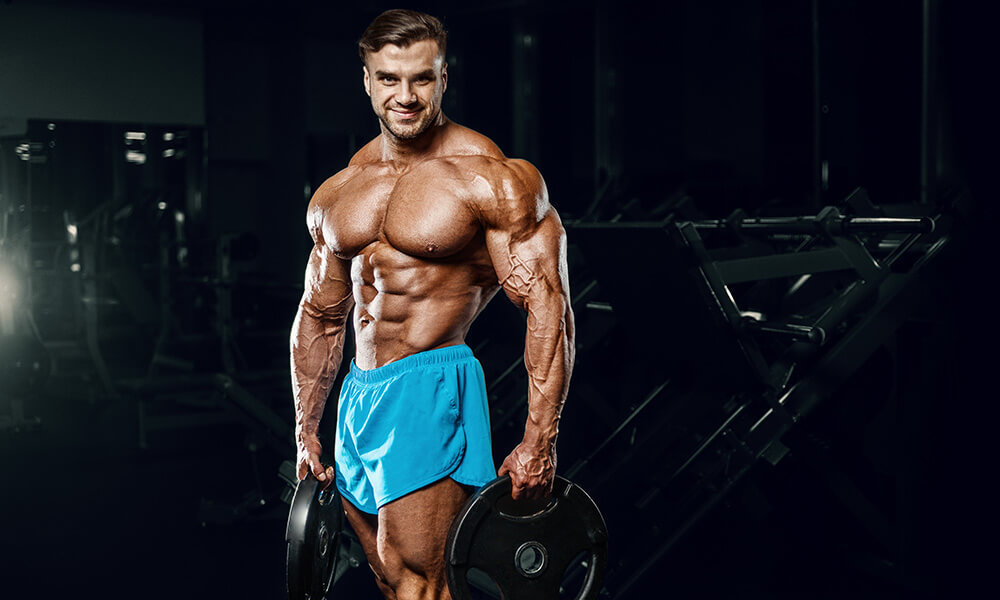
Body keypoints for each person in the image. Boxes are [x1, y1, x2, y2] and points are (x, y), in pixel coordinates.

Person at [290, 8, 575, 600]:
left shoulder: (489, 177)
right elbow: (320, 314)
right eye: (389, 79)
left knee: (426, 584)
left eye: (422, 78)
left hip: (430, 383)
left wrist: (539, 440)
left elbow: (549, 305)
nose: (406, 95)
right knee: (390, 579)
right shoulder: (343, 186)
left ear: (445, 78)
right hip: (358, 394)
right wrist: (305, 426)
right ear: (367, 80)